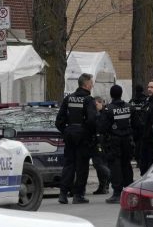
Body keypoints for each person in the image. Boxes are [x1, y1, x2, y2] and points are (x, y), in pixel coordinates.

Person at [55, 73, 98, 204]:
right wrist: (90, 133)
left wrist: (67, 131)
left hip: (69, 135)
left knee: (69, 165)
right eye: (91, 82)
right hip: (83, 137)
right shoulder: (89, 99)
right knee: (82, 166)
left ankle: (63, 194)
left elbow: (59, 121)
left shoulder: (68, 98)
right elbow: (92, 120)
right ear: (86, 84)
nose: (92, 85)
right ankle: (78, 195)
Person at [101, 85, 134, 203]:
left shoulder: (108, 109)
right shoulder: (129, 107)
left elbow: (103, 127)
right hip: (127, 140)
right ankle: (130, 189)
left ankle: (117, 192)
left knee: (115, 166)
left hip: (114, 141)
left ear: (111, 94)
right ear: (121, 94)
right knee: (126, 164)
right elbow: (135, 123)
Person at [91, 97, 111, 195]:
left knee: (100, 163)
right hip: (98, 141)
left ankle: (107, 182)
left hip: (103, 141)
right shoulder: (96, 113)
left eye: (95, 104)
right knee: (99, 164)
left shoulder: (104, 113)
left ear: (100, 103)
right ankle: (102, 186)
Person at [129, 85, 149, 163]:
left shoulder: (132, 101)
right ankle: (141, 158)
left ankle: (137, 158)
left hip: (134, 126)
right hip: (144, 125)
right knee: (142, 142)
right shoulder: (146, 100)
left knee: (136, 142)